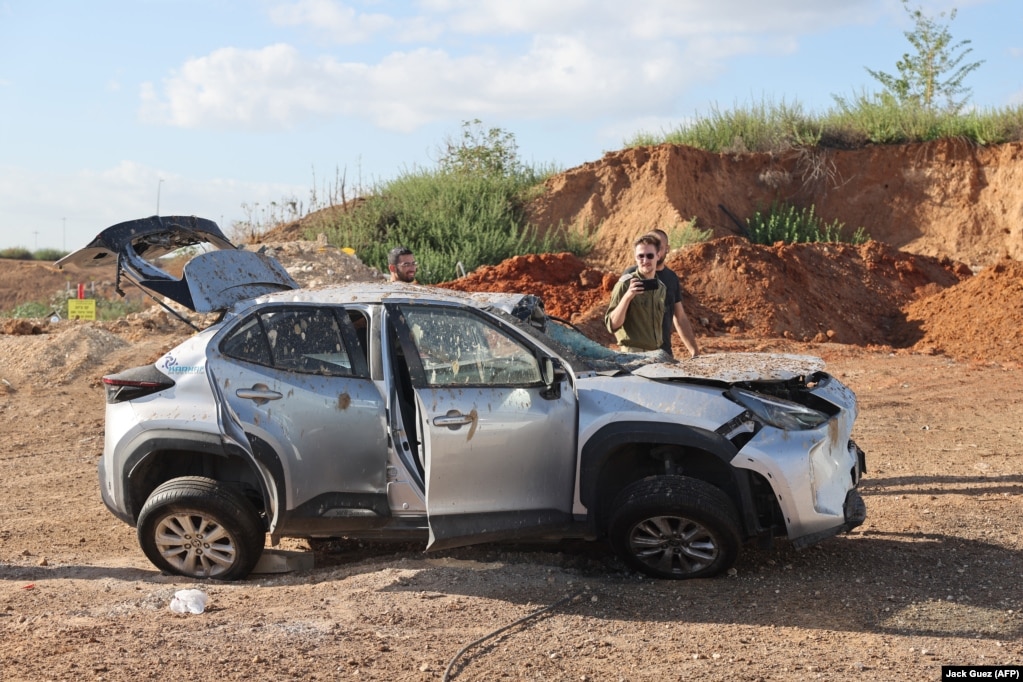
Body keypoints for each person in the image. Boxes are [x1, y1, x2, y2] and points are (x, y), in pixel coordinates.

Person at [623, 229, 700, 358]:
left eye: (659, 247)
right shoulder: (631, 275)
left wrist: (694, 351)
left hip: (664, 354)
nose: (654, 252)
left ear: (666, 249)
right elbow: (617, 315)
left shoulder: (671, 278)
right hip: (637, 355)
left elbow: (679, 316)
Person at [605, 234, 666, 352]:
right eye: (640, 256)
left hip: (655, 353)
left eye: (650, 256)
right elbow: (612, 325)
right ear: (635, 258)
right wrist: (628, 296)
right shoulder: (625, 284)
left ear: (658, 256)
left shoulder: (661, 288)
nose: (645, 260)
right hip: (633, 353)